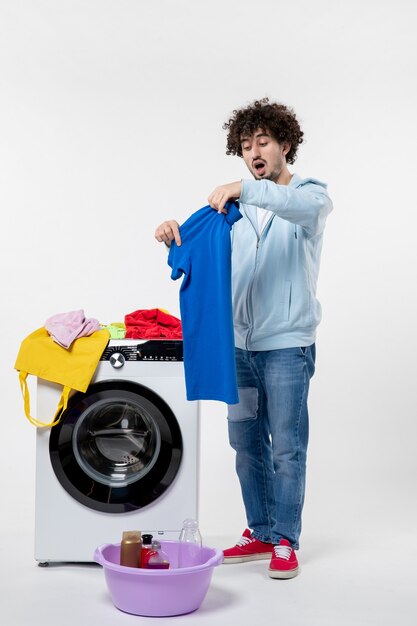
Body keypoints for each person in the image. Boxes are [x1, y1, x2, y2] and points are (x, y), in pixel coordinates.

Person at [155, 98, 333, 579]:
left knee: (286, 448)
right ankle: (258, 531)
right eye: (246, 144)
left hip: (286, 348)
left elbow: (288, 203)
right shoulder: (233, 209)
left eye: (264, 142)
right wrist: (176, 234)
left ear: (284, 145)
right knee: (246, 443)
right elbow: (200, 254)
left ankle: (286, 541)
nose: (254, 150)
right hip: (239, 347)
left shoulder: (310, 197)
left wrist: (245, 189)